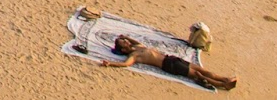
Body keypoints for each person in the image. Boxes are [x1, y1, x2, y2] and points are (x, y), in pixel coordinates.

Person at [99, 35, 237, 90]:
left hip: (171, 59)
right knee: (198, 75)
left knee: (202, 70)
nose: (127, 41)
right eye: (124, 42)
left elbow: (133, 40)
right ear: (123, 48)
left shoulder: (138, 47)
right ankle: (223, 84)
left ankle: (225, 79)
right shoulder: (135, 55)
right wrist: (110, 63)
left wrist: (124, 37)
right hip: (169, 65)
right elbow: (126, 64)